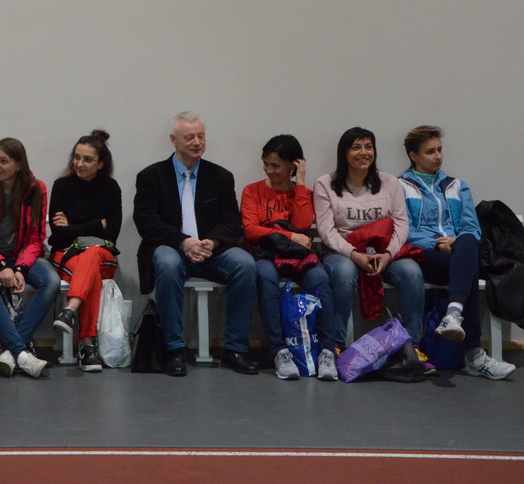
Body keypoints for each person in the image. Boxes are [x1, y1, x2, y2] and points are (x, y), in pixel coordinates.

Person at [134, 112, 258, 377]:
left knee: (245, 264)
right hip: (172, 248)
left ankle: (235, 350)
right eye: (189, 137)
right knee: (167, 263)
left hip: (213, 250)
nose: (197, 142)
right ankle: (174, 350)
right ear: (174, 140)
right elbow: (146, 222)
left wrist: (212, 242)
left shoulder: (221, 176)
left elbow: (231, 222)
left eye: (201, 136)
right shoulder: (151, 176)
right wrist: (183, 242)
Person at [398, 126, 515, 379]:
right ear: (414, 156)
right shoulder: (400, 186)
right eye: (430, 152)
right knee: (467, 268)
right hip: (426, 255)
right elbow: (404, 230)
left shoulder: (457, 186)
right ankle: (474, 354)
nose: (438, 156)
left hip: (459, 252)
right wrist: (436, 245)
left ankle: (453, 314)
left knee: (468, 242)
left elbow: (471, 228)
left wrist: (457, 241)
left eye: (440, 150)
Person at [312, 127, 430, 368]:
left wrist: (388, 255)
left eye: (368, 147)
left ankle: (412, 347)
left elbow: (401, 224)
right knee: (343, 272)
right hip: (343, 253)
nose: (363, 153)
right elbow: (327, 231)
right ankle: (335, 346)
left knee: (412, 272)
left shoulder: (390, 183)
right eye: (356, 147)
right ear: (344, 153)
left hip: (384, 252)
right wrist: (354, 254)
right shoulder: (326, 184)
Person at [241, 135, 338, 381]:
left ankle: (327, 351)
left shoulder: (303, 192)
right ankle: (279, 351)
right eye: (266, 164)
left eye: (276, 165)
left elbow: (303, 224)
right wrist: (289, 236)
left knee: (320, 279)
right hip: (266, 254)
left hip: (298, 256)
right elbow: (250, 230)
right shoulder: (252, 191)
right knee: (265, 276)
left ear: (293, 165)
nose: (269, 170)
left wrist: (301, 183)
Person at [0, 138, 59, 378]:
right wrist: (0, 265)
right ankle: (21, 352)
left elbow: (36, 239)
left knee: (51, 281)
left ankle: (11, 352)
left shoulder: (36, 189)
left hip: (21, 255)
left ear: (19, 165)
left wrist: (19, 268)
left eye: (3, 161)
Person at [49, 130, 122, 373]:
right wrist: (96, 225)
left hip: (103, 255)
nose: (79, 164)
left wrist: (72, 226)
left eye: (87, 160)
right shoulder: (61, 186)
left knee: (92, 255)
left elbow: (112, 233)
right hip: (67, 254)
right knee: (91, 275)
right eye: (76, 157)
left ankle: (70, 310)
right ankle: (87, 345)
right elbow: (58, 234)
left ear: (101, 164)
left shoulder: (111, 188)